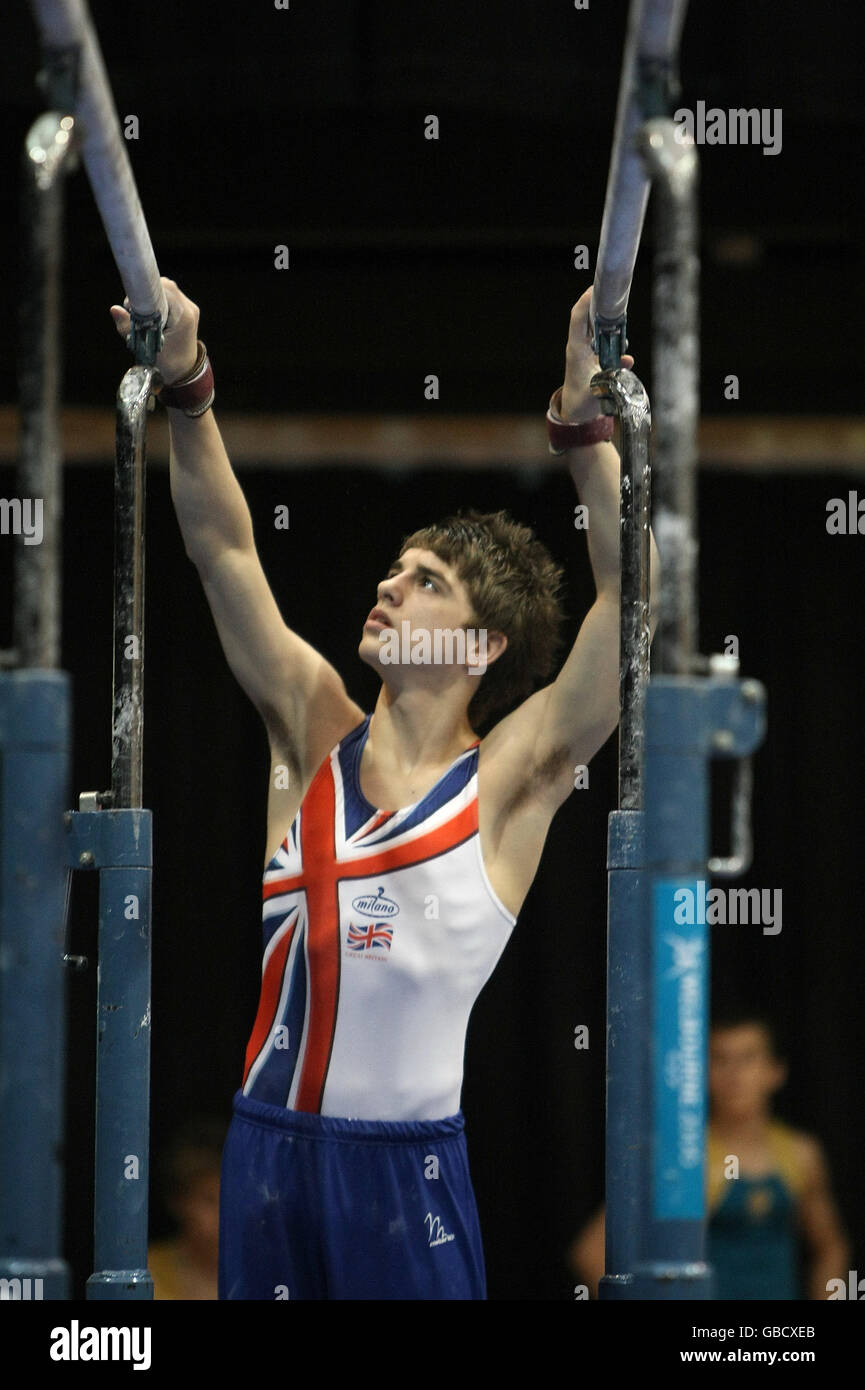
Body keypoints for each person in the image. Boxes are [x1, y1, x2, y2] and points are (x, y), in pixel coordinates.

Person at [110, 278, 659, 1301]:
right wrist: (188, 382)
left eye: (423, 581)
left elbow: (634, 599)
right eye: (392, 569)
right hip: (264, 1158)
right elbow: (223, 548)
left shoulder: (508, 779)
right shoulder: (311, 723)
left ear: (481, 643)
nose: (386, 586)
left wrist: (585, 429)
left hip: (404, 1174)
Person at [569, 1011, 851, 1299]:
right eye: (721, 1060)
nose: (734, 1075)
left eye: (747, 1059)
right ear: (703, 1071)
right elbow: (592, 1251)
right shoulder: (683, 1158)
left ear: (775, 1071)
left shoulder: (800, 1154)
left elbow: (830, 1246)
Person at [147, 1116, 223, 1300]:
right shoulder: (146, 1274)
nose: (222, 1214)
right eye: (209, 1200)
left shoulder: (263, 1273)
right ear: (178, 1202)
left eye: (231, 1199)